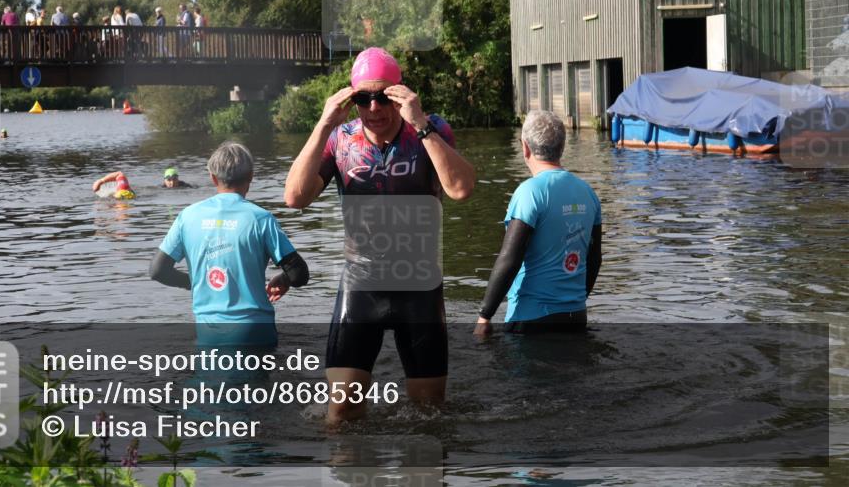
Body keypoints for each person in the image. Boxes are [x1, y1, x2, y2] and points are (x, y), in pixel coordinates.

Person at [284, 46, 476, 423]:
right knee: (340, 414)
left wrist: (420, 124)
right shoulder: (340, 139)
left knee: (430, 416)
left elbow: (461, 189)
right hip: (362, 284)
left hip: (418, 288)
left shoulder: (430, 129)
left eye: (383, 97)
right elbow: (294, 198)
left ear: (399, 94)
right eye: (363, 98)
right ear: (352, 99)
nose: (374, 108)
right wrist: (322, 124)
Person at [150, 142, 310, 347]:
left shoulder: (187, 217)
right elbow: (299, 274)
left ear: (213, 178)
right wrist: (284, 279)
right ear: (251, 176)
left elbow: (157, 270)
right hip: (255, 333)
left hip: (209, 334)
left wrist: (195, 283)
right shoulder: (261, 219)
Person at [474, 110, 602, 337]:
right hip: (575, 316)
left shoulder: (529, 192)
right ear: (562, 147)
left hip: (530, 317)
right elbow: (594, 258)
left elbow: (510, 259)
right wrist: (576, 300)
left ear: (525, 147)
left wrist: (485, 315)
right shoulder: (588, 193)